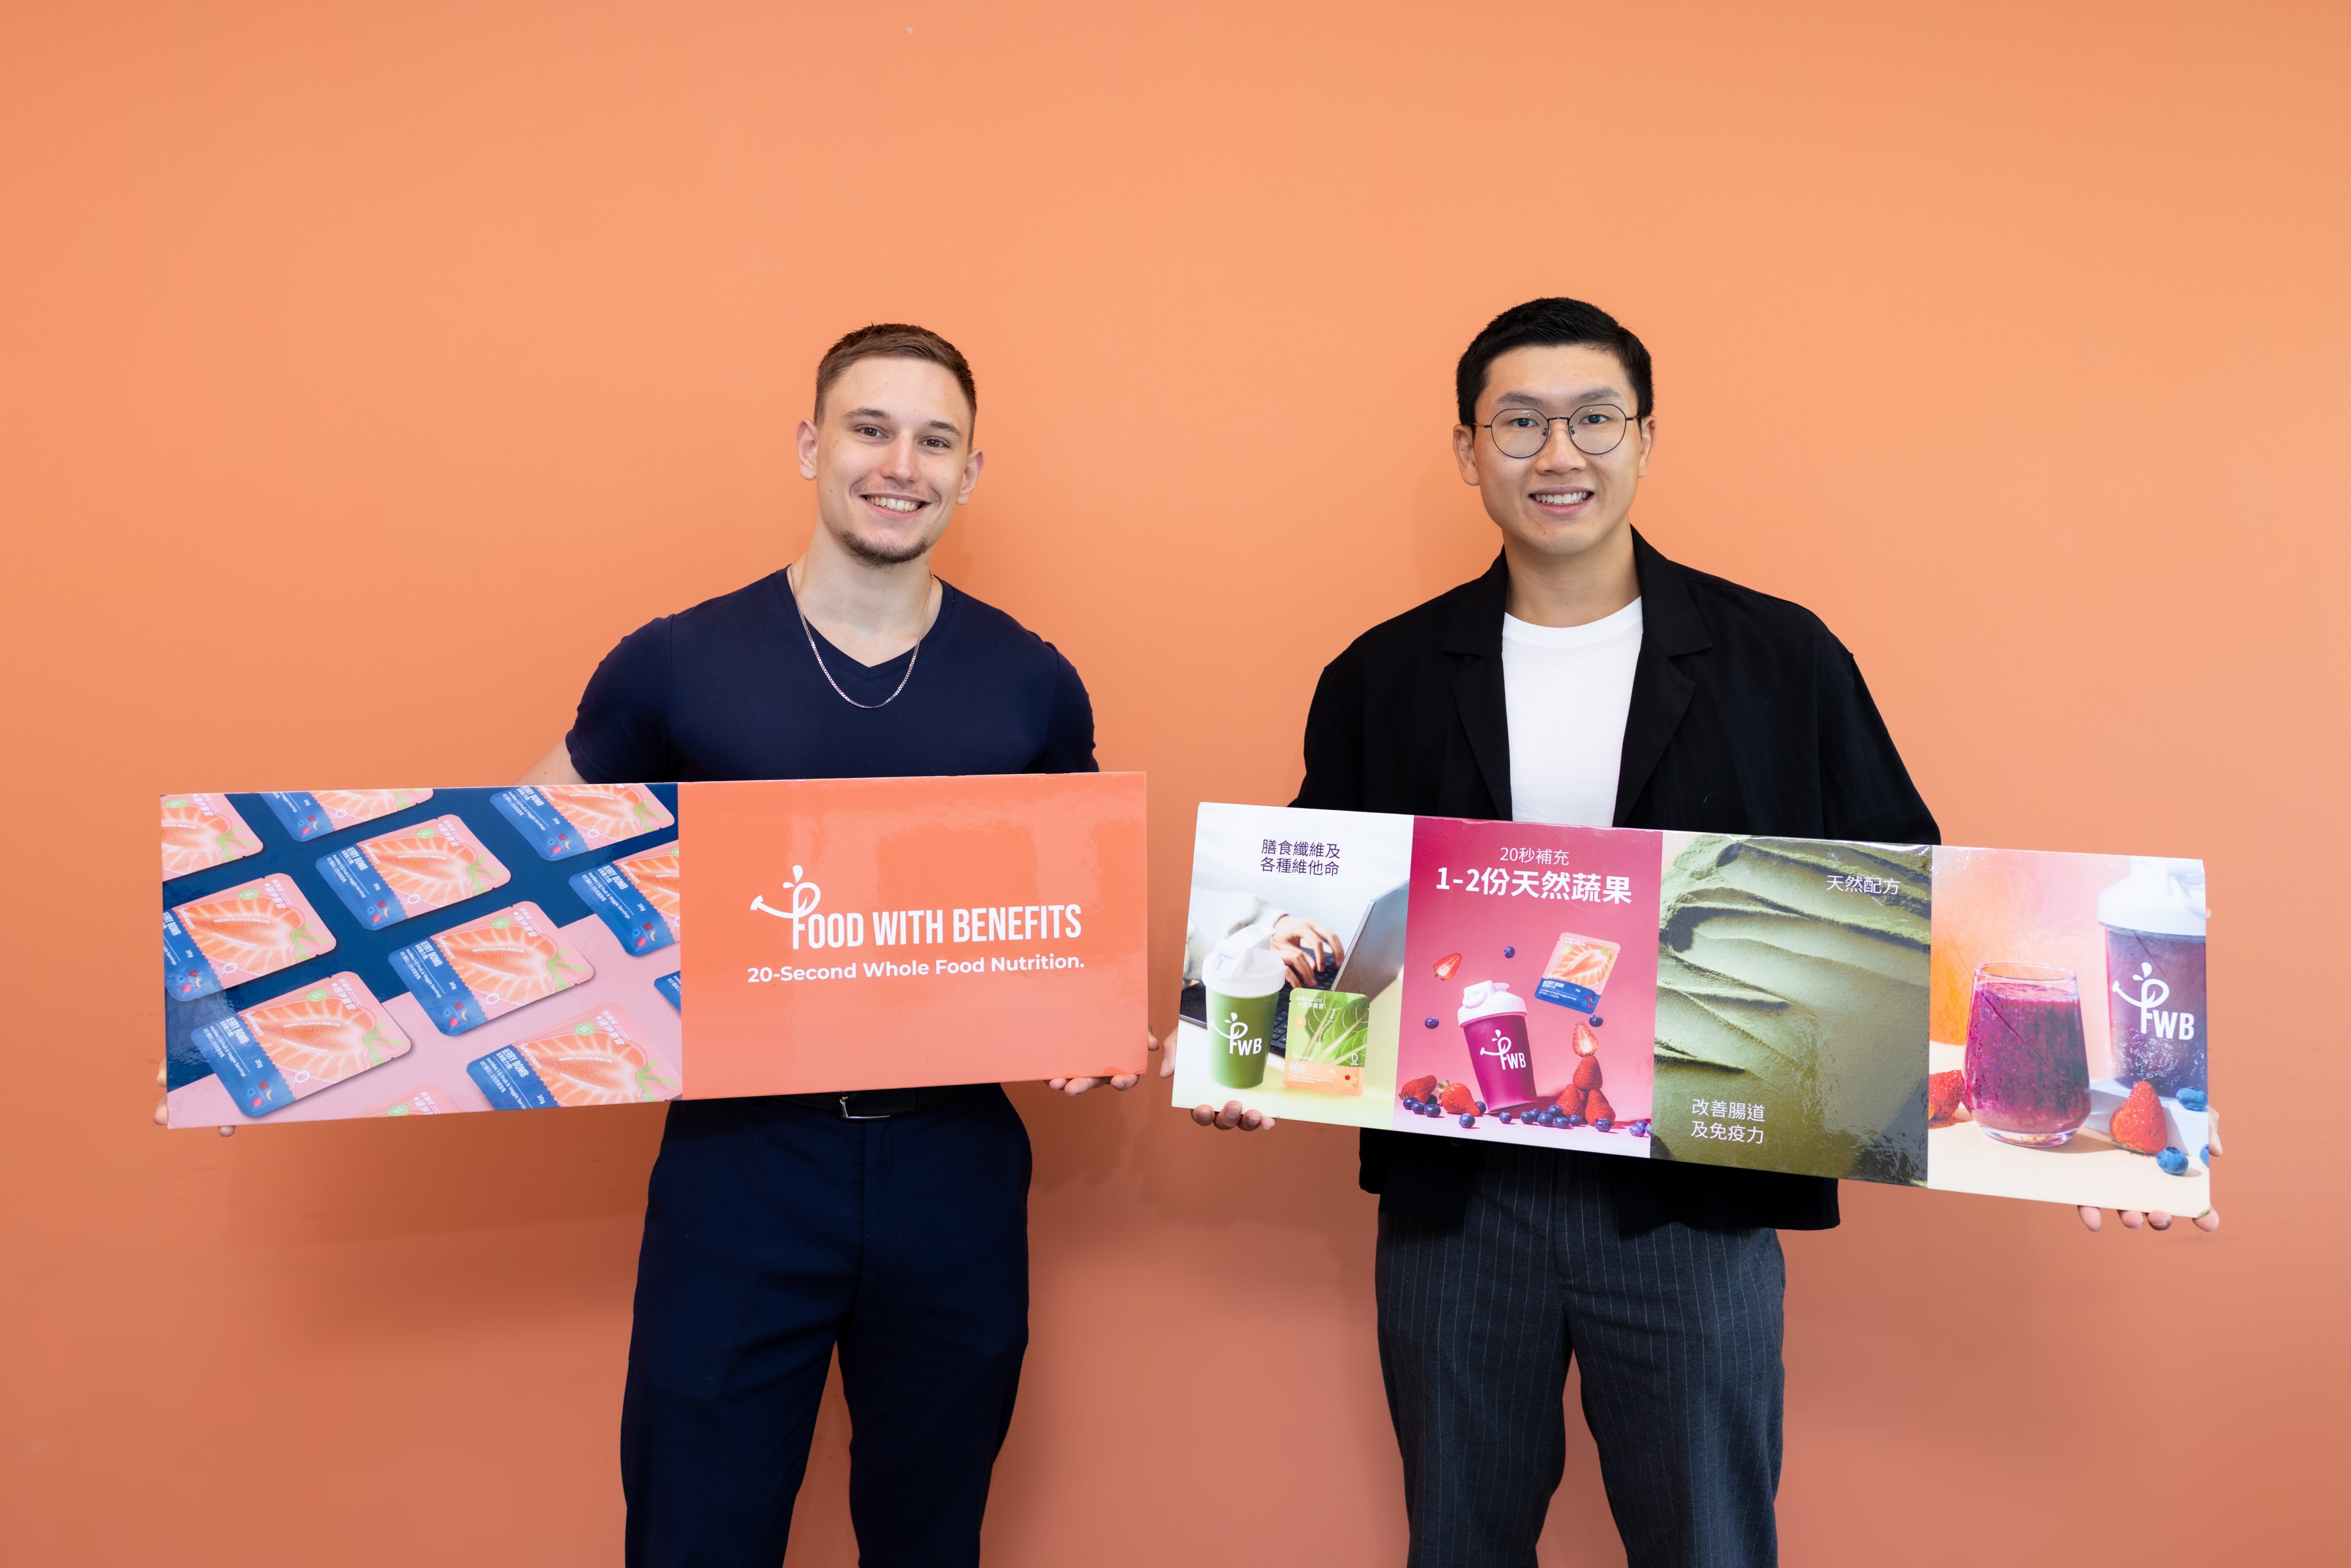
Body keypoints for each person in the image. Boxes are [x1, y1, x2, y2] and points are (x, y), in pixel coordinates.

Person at [1182, 297, 2219, 1568]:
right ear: (1467, 450)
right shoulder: (1379, 675)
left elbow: (1908, 914)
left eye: (1593, 418)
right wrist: (1240, 1060)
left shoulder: (1782, 659)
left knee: (1709, 1545)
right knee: (1456, 1540)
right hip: (1461, 1205)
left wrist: (2107, 1139)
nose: (1558, 453)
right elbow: (1331, 911)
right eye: (1518, 423)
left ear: (1645, 438)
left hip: (1696, 1203)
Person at [517, 323, 1140, 1568]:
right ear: (811, 446)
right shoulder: (676, 662)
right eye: (869, 429)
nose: (900, 464)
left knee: (931, 1537)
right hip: (742, 1165)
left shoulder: (1031, 682)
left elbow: (1081, 921)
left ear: (971, 472)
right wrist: (275, 1042)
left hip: (953, 1166)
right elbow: (518, 874)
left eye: (935, 440)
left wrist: (1102, 1019)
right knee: (696, 1534)